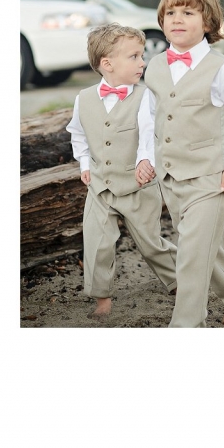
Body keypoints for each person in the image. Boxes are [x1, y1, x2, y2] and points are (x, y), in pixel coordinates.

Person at [144, 0, 224, 328]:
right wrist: (145, 159)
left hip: (212, 177)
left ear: (208, 22)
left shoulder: (223, 70)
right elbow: (151, 119)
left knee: (192, 258)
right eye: (170, 13)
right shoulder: (154, 67)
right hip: (170, 178)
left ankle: (186, 325)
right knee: (204, 249)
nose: (177, 19)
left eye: (188, 12)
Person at [66, 23, 177, 319]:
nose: (143, 62)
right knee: (97, 243)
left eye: (142, 56)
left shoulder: (145, 96)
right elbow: (77, 133)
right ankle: (102, 299)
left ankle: (181, 280)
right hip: (101, 187)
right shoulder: (84, 99)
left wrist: (145, 161)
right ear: (107, 64)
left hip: (137, 186)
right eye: (134, 56)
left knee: (151, 243)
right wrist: (85, 164)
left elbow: (149, 133)